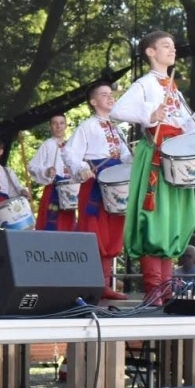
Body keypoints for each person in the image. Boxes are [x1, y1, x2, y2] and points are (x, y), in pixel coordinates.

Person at [111, 31, 195, 300]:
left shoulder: (173, 87)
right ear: (150, 52)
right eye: (166, 46)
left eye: (173, 47)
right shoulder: (145, 83)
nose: (172, 50)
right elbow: (117, 111)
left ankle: (167, 287)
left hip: (175, 157)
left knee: (174, 219)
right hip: (156, 154)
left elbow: (185, 127)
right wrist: (149, 115)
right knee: (154, 217)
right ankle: (154, 287)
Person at [62, 80, 131, 299]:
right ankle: (92, 284)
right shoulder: (87, 126)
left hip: (115, 186)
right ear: (93, 102)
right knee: (94, 232)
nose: (110, 97)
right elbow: (69, 152)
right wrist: (81, 167)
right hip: (95, 184)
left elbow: (126, 156)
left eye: (111, 94)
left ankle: (104, 284)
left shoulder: (116, 129)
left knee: (113, 232)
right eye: (104, 95)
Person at [29, 114, 76, 232]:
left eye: (61, 123)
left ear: (65, 125)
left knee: (68, 224)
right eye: (55, 123)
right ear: (50, 126)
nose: (58, 126)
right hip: (53, 189)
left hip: (70, 191)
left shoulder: (71, 146)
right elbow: (32, 167)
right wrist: (46, 171)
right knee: (51, 223)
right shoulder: (47, 144)